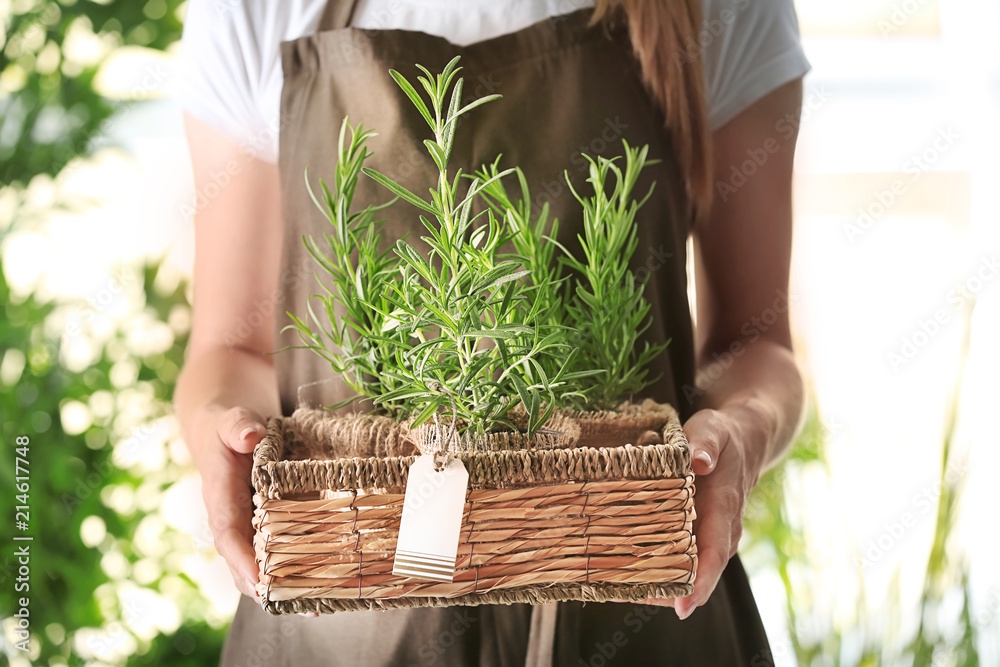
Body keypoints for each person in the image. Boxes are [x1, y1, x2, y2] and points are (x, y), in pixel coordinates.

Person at [174, 0, 809, 664]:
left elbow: (755, 342)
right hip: (340, 620)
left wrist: (745, 426)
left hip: (640, 607)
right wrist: (221, 427)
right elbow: (232, 348)